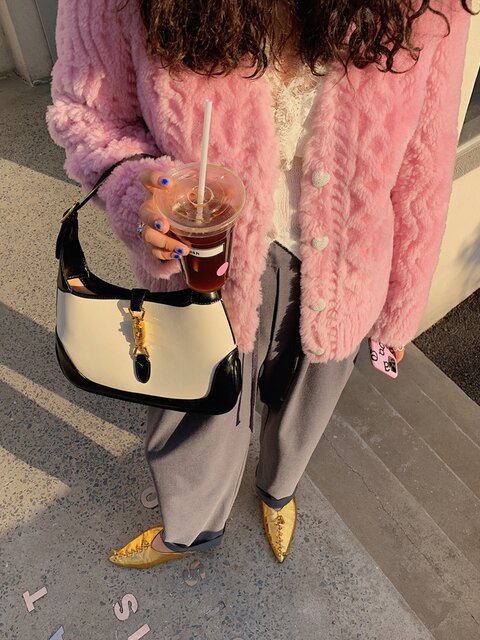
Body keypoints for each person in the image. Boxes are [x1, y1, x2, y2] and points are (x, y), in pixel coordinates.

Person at [47, 0, 472, 565]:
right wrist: (138, 191)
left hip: (349, 267)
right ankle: (190, 529)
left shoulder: (428, 7)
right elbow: (88, 115)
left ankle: (278, 490)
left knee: (305, 404)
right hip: (201, 270)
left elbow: (426, 158)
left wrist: (402, 305)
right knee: (192, 420)